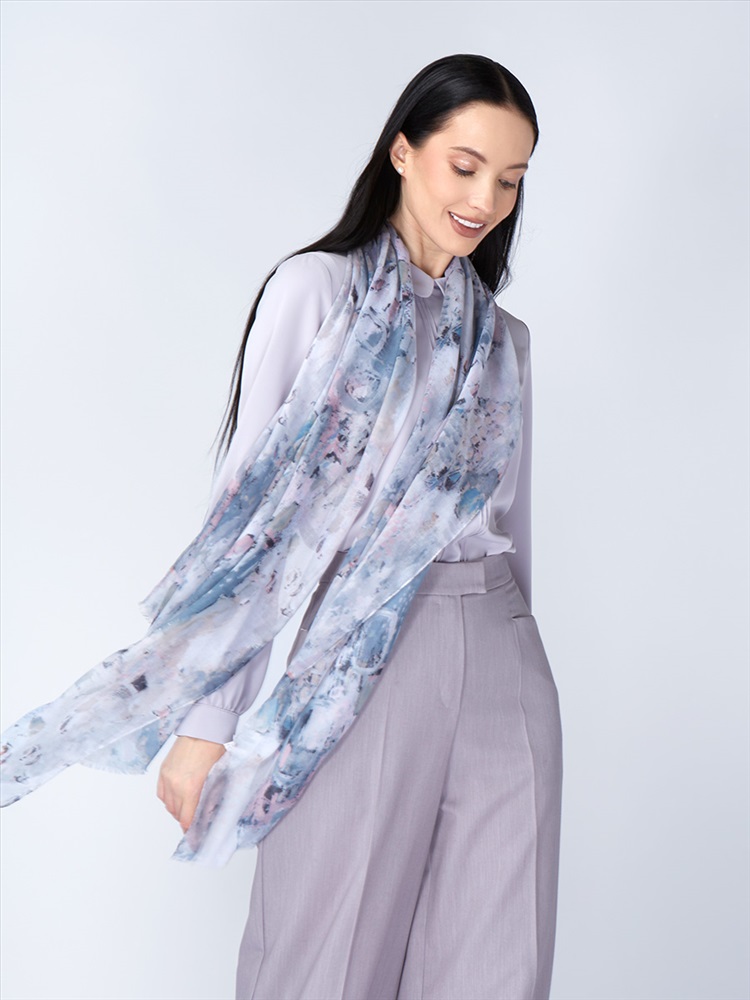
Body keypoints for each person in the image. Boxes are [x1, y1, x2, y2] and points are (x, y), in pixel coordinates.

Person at [1, 54, 562, 1000]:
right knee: (321, 961)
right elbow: (250, 534)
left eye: (510, 180)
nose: (486, 200)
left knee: (498, 971)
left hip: (503, 658)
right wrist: (208, 722)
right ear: (402, 151)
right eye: (465, 167)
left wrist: (518, 646)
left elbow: (516, 525)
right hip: (360, 655)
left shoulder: (505, 341)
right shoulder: (318, 292)